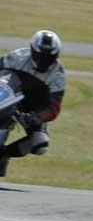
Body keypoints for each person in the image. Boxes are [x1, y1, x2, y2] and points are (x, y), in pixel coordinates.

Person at [0, 30, 65, 177]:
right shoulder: (16, 57)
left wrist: (36, 117)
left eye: (49, 57)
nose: (44, 60)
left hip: (31, 109)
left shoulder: (58, 76)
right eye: (40, 56)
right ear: (33, 50)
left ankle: (4, 155)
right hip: (7, 96)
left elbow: (53, 108)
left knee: (40, 143)